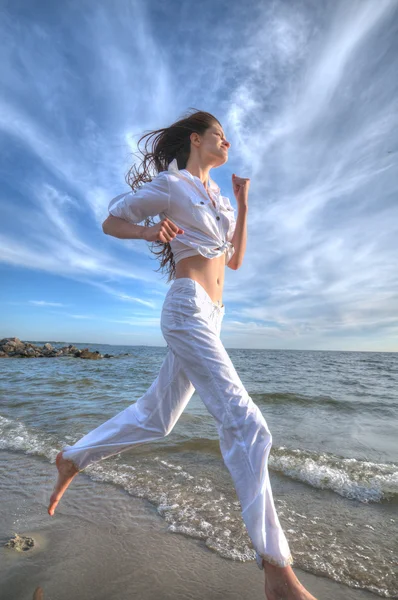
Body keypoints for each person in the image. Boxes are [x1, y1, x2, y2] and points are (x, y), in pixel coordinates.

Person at [47, 109, 317, 600]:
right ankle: (277, 571)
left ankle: (72, 458)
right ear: (197, 140)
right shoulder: (171, 186)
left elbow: (232, 261)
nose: (228, 143)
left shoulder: (219, 199)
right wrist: (150, 232)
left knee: (158, 418)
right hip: (187, 306)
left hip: (213, 315)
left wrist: (243, 201)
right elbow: (112, 221)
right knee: (249, 426)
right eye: (221, 135)